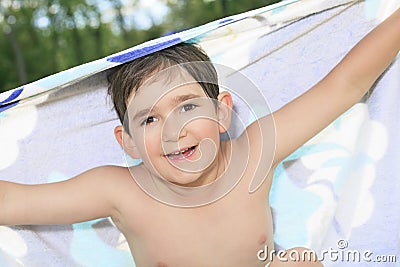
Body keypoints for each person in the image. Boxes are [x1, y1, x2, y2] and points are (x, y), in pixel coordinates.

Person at [1, 6, 399, 267]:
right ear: (128, 142)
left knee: (299, 262)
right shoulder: (119, 191)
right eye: (150, 120)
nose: (175, 130)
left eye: (187, 106)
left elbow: (345, 85)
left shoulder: (254, 154)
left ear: (222, 110)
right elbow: (13, 202)